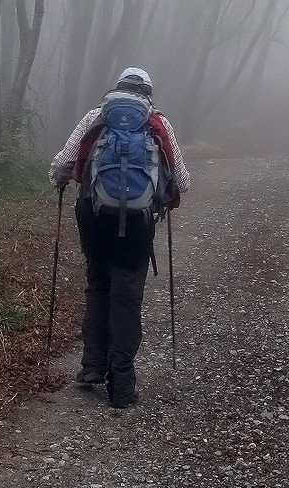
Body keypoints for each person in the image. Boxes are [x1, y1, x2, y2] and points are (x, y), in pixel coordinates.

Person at [49, 67, 190, 409]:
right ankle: (122, 386)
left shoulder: (95, 117)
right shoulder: (158, 122)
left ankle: (91, 367)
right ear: (148, 93)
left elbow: (61, 166)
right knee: (126, 297)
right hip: (138, 223)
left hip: (94, 215)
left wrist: (63, 181)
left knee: (98, 285)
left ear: (118, 89)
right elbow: (182, 182)